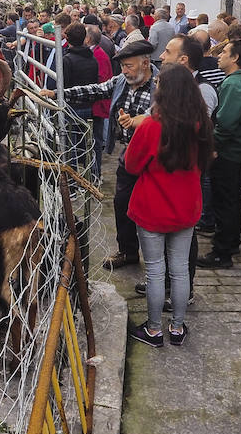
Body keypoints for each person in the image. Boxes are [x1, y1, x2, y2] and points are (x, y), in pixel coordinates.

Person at [46, 39, 157, 270]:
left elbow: (160, 112)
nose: (124, 71)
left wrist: (139, 121)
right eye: (123, 66)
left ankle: (157, 265)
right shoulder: (121, 82)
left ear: (145, 63)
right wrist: (59, 94)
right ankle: (127, 252)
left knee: (152, 209)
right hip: (129, 154)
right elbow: (95, 90)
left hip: (154, 158)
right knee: (121, 203)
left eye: (129, 66)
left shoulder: (161, 84)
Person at [125, 64, 213, 348]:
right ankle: (176, 327)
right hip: (186, 207)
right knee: (179, 270)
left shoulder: (151, 126)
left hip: (153, 207)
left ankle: (153, 330)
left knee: (154, 270)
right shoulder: (201, 125)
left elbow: (131, 164)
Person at [197, 39, 241, 269]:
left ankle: (222, 251)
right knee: (235, 197)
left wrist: (213, 146)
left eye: (224, 52)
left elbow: (225, 122)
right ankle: (231, 241)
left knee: (224, 200)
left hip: (228, 151)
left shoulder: (234, 84)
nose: (219, 55)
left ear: (235, 58)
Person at [60, 22, 111, 179]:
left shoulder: (67, 60)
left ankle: (74, 181)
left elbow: (65, 85)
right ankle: (93, 176)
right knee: (90, 142)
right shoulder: (92, 59)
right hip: (90, 105)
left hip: (73, 106)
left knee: (72, 144)